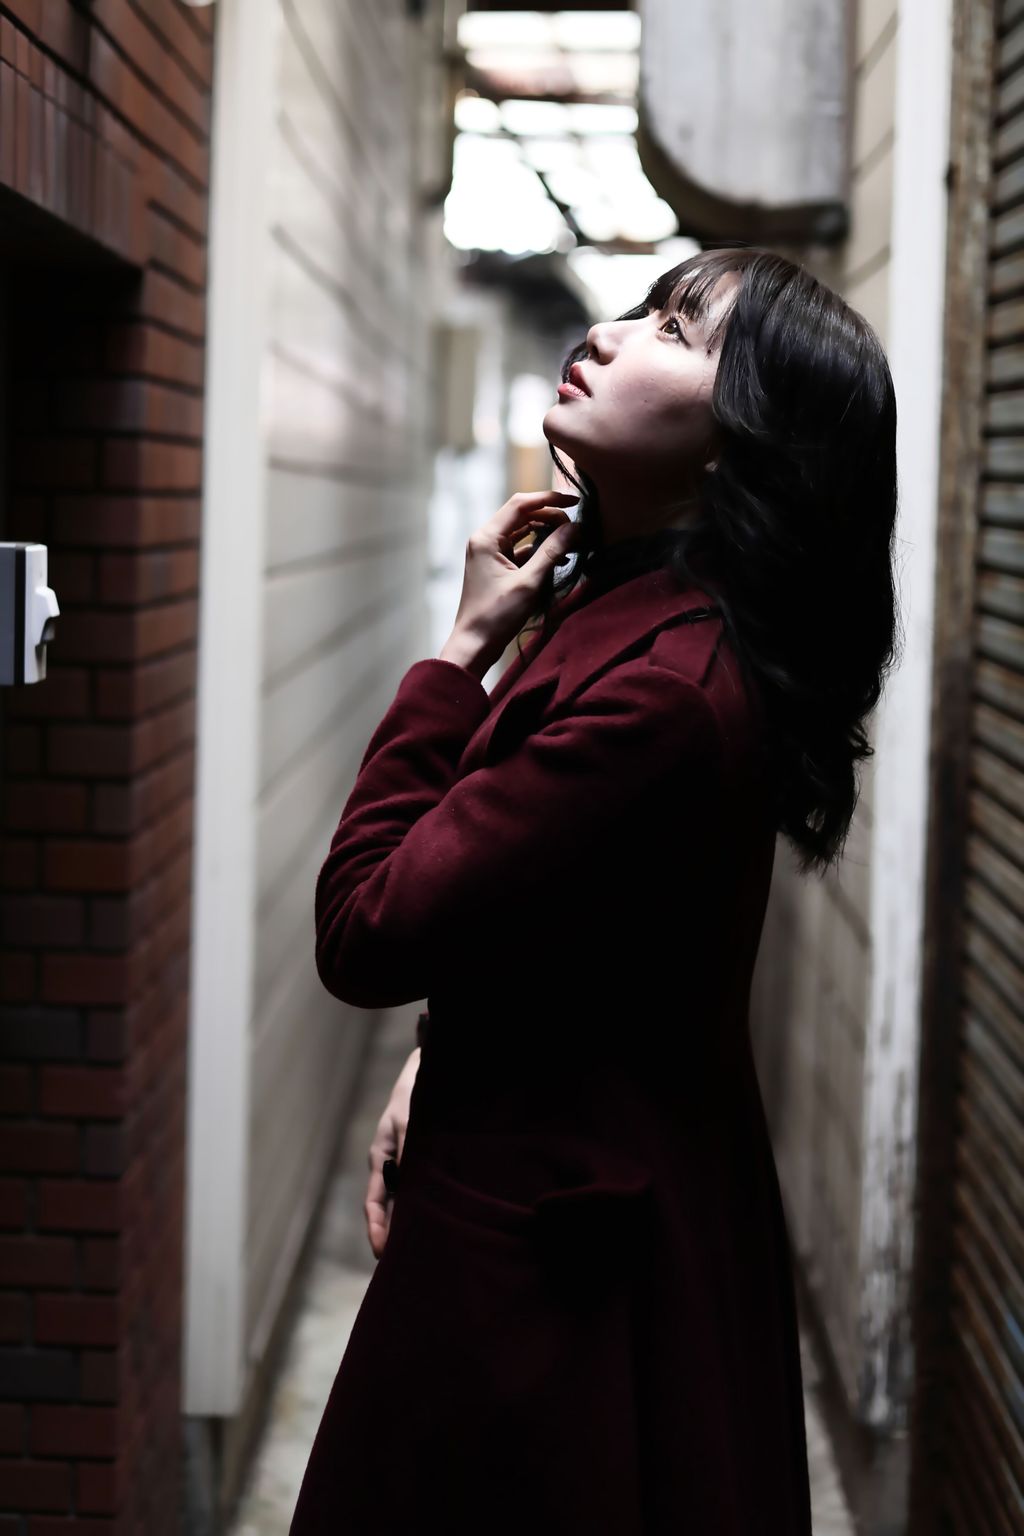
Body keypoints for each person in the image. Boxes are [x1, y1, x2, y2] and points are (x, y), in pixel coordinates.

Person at [289, 244, 900, 1535]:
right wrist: (439, 1050)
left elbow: (366, 925)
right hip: (560, 1204)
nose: (613, 333)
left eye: (677, 331)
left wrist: (459, 651)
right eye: (642, 307)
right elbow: (569, 922)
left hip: (556, 1276)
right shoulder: (626, 606)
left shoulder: (662, 693)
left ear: (738, 448)